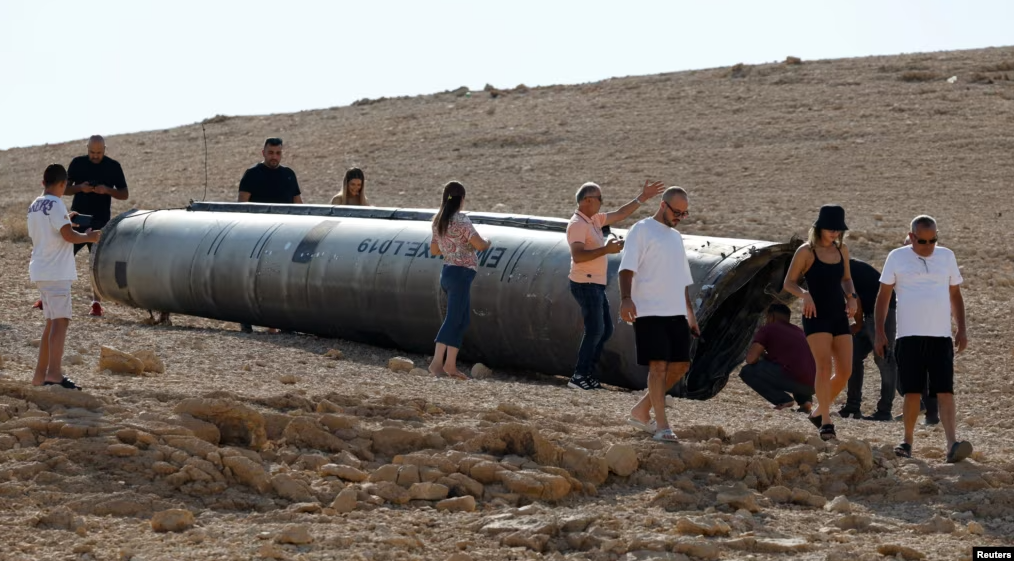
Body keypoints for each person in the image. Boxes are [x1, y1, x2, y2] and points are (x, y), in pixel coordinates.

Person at [875, 215, 971, 463]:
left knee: (946, 391)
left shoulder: (947, 256)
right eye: (923, 241)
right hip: (908, 336)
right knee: (912, 392)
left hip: (940, 336)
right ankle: (907, 441)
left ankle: (952, 444)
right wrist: (879, 332)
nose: (928, 246)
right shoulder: (896, 257)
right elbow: (883, 296)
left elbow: (955, 294)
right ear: (911, 236)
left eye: (933, 240)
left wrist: (961, 329)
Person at [565, 180, 665, 390]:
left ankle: (587, 374)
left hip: (595, 283)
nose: (602, 203)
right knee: (595, 330)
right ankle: (579, 376)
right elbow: (578, 255)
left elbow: (620, 214)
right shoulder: (577, 224)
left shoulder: (593, 220)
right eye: (600, 199)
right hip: (585, 282)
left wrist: (642, 197)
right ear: (588, 200)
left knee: (605, 330)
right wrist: (606, 250)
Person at [621, 187, 699, 443]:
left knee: (680, 366)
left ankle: (641, 410)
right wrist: (625, 298)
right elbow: (626, 267)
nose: (680, 217)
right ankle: (662, 425)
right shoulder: (641, 229)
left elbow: (683, 279)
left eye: (684, 214)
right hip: (649, 309)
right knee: (658, 366)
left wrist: (690, 314)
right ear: (663, 205)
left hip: (675, 310)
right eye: (677, 212)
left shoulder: (676, 237)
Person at [782, 205, 858, 440]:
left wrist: (852, 297)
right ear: (819, 227)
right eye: (830, 228)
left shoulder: (841, 249)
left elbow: (846, 279)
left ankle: (817, 412)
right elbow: (789, 283)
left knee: (845, 371)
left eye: (838, 229)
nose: (835, 232)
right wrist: (804, 295)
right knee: (823, 367)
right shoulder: (806, 251)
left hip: (838, 314)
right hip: (815, 315)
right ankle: (826, 421)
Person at [28, 164, 101, 390]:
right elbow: (69, 236)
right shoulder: (57, 203)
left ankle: (40, 377)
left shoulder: (35, 205)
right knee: (60, 322)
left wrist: (66, 219)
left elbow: (52, 231)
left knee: (51, 323)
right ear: (62, 184)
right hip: (56, 271)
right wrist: (90, 237)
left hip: (41, 269)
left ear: (44, 182)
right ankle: (54, 375)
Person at [45, 135, 128, 317]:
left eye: (99, 152)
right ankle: (48, 297)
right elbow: (64, 189)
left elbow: (124, 194)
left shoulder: (113, 166)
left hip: (101, 221)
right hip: (76, 219)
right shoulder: (77, 163)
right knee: (62, 257)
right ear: (87, 148)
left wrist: (106, 190)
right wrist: (80, 188)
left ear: (105, 149)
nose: (95, 155)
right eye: (92, 152)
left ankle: (96, 304)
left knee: (96, 263)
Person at [237, 137, 301, 333]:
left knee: (281, 280)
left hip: (284, 236)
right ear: (263, 152)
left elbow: (298, 205)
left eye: (278, 153)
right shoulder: (252, 174)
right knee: (251, 279)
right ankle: (246, 320)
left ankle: (283, 323)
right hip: (257, 236)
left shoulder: (289, 175)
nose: (274, 157)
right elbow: (242, 206)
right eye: (271, 153)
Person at [428, 181, 491, 380]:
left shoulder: (439, 220)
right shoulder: (462, 221)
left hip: (448, 273)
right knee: (454, 319)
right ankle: (437, 362)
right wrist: (488, 241)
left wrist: (452, 246)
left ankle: (450, 364)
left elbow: (434, 250)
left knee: (462, 319)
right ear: (462, 199)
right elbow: (479, 245)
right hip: (461, 274)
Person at [840, 258, 898, 421]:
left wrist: (858, 324)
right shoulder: (846, 265)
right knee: (854, 357)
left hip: (880, 312)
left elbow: (853, 297)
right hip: (868, 313)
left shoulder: (839, 267)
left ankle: (884, 410)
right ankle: (852, 406)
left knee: (884, 359)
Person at [740, 303, 816, 411]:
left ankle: (783, 399)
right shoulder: (799, 331)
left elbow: (750, 359)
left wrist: (756, 353)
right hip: (812, 385)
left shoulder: (768, 328)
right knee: (796, 367)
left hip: (791, 377)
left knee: (747, 371)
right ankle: (805, 402)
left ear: (771, 316)